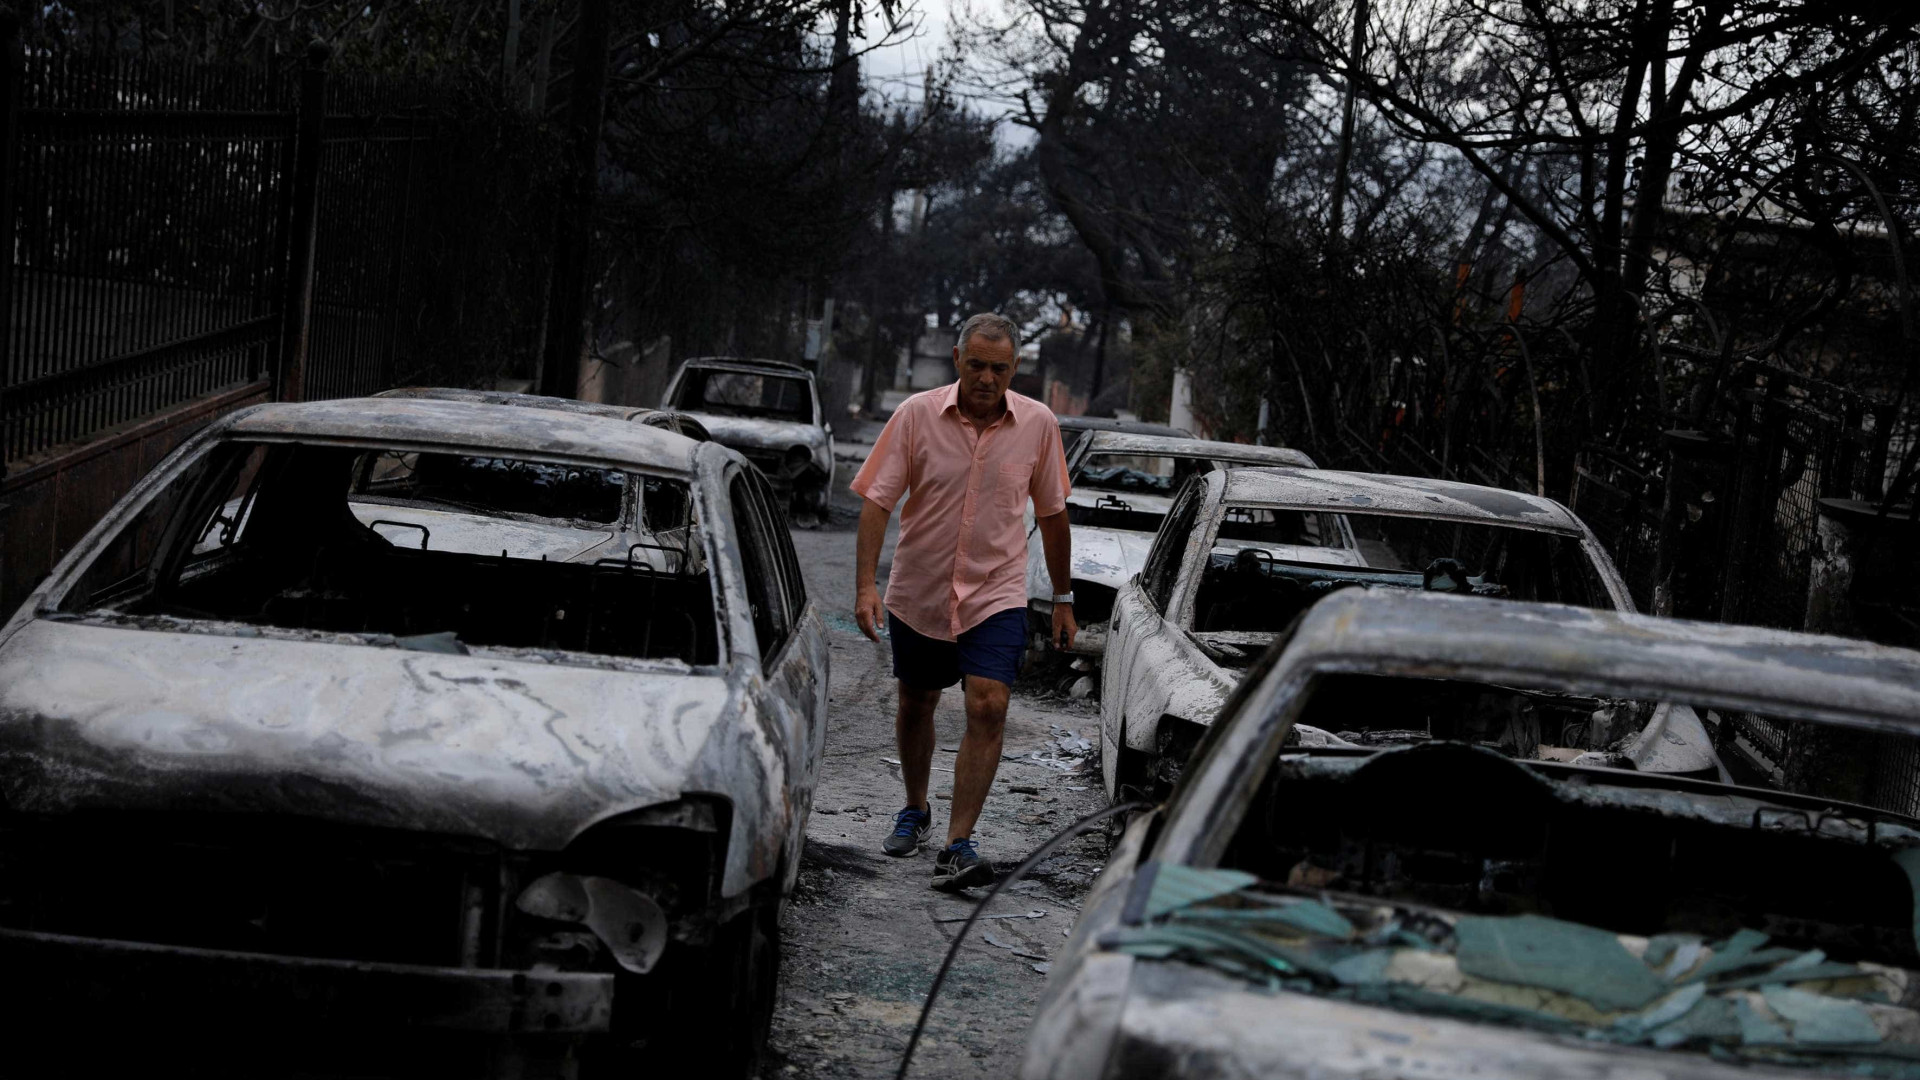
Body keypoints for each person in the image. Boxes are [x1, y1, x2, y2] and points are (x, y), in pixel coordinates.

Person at [849, 313, 1078, 891]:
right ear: (957, 359)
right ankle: (916, 807)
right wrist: (865, 586)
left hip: (996, 591)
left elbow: (1052, 514)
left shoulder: (1039, 425)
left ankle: (958, 842)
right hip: (921, 588)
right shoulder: (916, 416)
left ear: (1014, 369)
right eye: (975, 364)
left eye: (998, 368)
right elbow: (877, 500)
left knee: (988, 705)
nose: (986, 378)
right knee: (917, 702)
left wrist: (1063, 597)